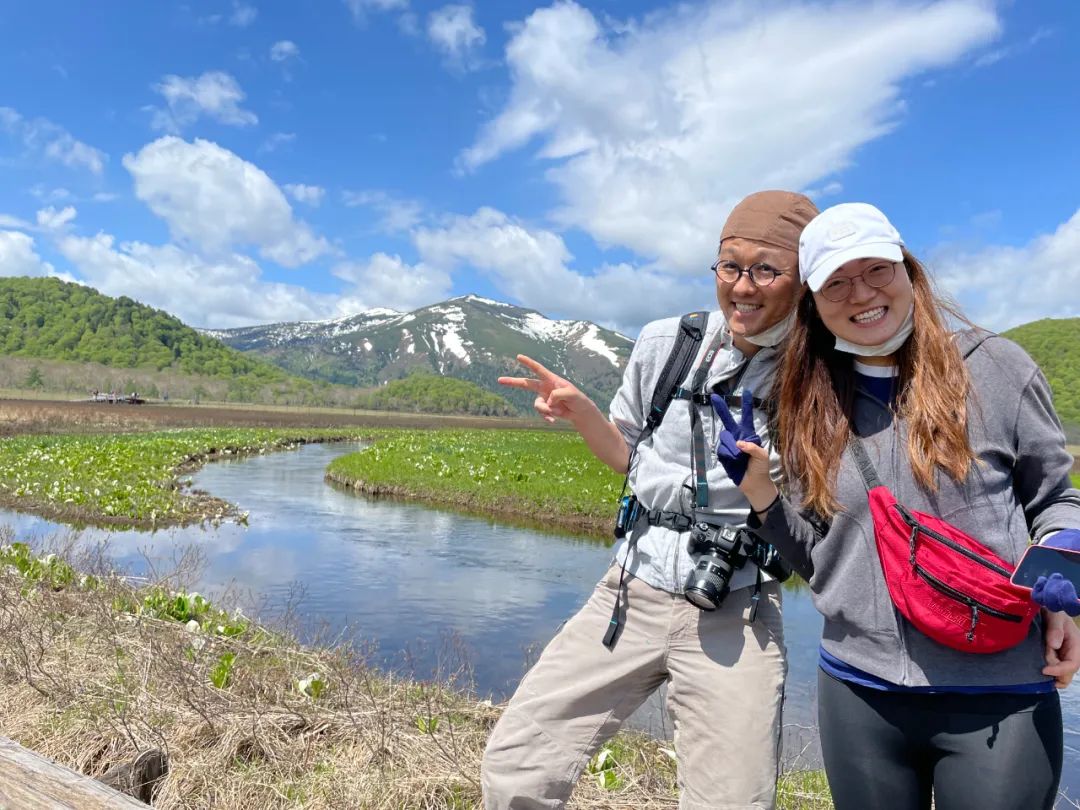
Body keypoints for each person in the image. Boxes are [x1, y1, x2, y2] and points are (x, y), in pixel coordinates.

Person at [723, 202, 1080, 810]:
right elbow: (819, 562)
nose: (860, 293)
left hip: (998, 690)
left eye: (877, 271)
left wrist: (1065, 574)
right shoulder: (809, 399)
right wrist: (760, 493)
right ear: (813, 301)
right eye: (836, 281)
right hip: (859, 692)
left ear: (908, 272)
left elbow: (1056, 500)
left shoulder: (996, 368)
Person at [482, 190, 819, 810]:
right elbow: (631, 461)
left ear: (804, 280)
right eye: (730, 265)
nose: (743, 286)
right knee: (517, 766)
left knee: (734, 801)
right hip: (627, 594)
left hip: (735, 611)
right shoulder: (668, 343)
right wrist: (582, 412)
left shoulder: (820, 377)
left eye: (768, 269)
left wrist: (764, 488)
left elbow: (816, 526)